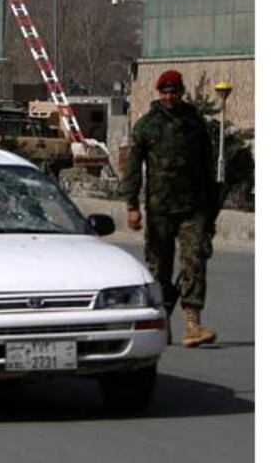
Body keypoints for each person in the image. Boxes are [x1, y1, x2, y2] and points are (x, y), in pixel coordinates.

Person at [120, 69, 218, 348]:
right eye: (165, 91)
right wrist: (132, 206)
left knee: (194, 262)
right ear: (158, 93)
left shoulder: (194, 123)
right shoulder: (146, 126)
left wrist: (211, 208)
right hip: (160, 208)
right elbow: (133, 168)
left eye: (174, 91)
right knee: (159, 267)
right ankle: (162, 322)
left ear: (182, 91)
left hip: (193, 208)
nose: (170, 96)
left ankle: (192, 323)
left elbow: (207, 166)